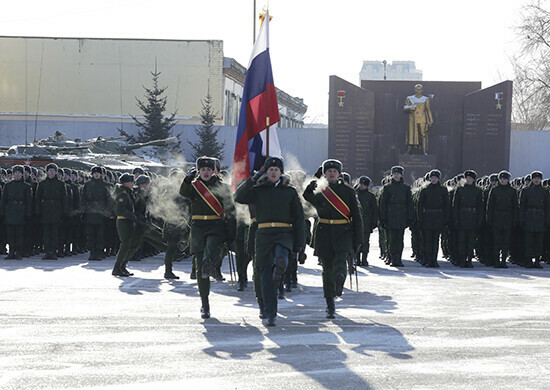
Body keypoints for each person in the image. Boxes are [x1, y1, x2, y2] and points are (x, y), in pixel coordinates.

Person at [235, 157, 305, 326]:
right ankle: (270, 313)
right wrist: (252, 180)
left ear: (281, 173)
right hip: (264, 234)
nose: (273, 172)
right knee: (264, 274)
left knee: (281, 255)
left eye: (276, 170)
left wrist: (300, 243)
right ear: (265, 172)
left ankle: (281, 264)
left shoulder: (289, 192)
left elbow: (298, 218)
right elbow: (239, 196)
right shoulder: (258, 190)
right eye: (270, 170)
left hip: (284, 232)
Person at [303, 159, 363, 319]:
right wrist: (309, 190)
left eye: (334, 171)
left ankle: (340, 280)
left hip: (343, 232)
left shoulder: (349, 192)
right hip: (323, 232)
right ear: (324, 173)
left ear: (339, 174)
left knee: (340, 261)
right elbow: (308, 199)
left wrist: (358, 238)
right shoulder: (320, 190)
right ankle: (330, 303)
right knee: (326, 269)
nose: (331, 174)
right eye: (328, 171)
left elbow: (357, 217)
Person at [180, 156, 236, 319]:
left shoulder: (222, 187)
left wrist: (231, 233)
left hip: (216, 226)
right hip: (197, 227)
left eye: (209, 170)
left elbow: (230, 210)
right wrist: (186, 180)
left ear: (214, 171)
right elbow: (183, 193)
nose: (206, 172)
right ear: (198, 171)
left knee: (210, 249)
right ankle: (205, 303)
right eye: (203, 170)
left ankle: (208, 261)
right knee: (200, 267)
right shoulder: (193, 186)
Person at [379, 166, 413, 267]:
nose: (396, 176)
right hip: (391, 215)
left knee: (400, 239)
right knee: (392, 239)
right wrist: (383, 217)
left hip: (402, 215)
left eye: (398, 174)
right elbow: (383, 204)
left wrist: (410, 217)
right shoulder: (387, 187)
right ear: (392, 175)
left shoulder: (406, 188)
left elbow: (409, 204)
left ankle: (399, 258)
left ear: (401, 175)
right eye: (395, 174)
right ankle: (393, 258)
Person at [417, 169, 451, 267]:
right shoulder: (425, 190)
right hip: (427, 217)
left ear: (438, 179)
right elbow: (420, 206)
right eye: (432, 178)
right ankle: (428, 260)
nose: (434, 179)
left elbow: (446, 205)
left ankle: (434, 259)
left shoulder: (443, 190)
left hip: (438, 217)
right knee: (427, 240)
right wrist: (420, 218)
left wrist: (445, 219)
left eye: (435, 178)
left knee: (435, 240)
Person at [35, 163, 68, 260]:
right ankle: (47, 251)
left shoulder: (61, 184)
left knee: (54, 233)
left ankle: (53, 251)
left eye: (53, 171)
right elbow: (38, 198)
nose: (52, 172)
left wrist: (64, 212)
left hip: (56, 210)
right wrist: (37, 211)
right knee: (46, 233)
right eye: (50, 171)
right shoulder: (42, 184)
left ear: (56, 172)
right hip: (45, 210)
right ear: (47, 172)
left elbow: (64, 199)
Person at [486, 170, 517, 268]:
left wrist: (515, 220)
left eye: (505, 179)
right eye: (502, 179)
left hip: (508, 219)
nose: (503, 181)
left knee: (506, 242)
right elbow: (489, 206)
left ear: (508, 180)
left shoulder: (512, 191)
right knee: (497, 241)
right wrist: (489, 219)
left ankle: (503, 260)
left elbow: (515, 207)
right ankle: (496, 260)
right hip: (497, 219)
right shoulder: (494, 190)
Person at [0, 165, 32, 259]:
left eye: (19, 173)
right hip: (10, 211)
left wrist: (28, 213)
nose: (17, 175)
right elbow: (4, 200)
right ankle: (11, 251)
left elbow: (29, 201)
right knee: (10, 233)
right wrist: (2, 212)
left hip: (20, 211)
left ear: (22, 174)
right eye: (15, 173)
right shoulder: (8, 185)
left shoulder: (26, 186)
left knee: (19, 233)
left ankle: (18, 252)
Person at [519, 171, 550, 268]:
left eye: (538, 178)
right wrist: (522, 220)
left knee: (538, 241)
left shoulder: (545, 191)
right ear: (532, 179)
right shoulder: (525, 191)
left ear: (540, 180)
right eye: (534, 178)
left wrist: (547, 220)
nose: (536, 180)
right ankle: (528, 260)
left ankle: (537, 260)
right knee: (528, 241)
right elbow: (522, 206)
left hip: (540, 217)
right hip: (529, 217)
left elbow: (547, 207)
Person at [452, 170, 483, 268]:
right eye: (467, 178)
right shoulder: (460, 190)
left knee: (471, 241)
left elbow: (480, 207)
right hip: (462, 218)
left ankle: (469, 259)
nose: (468, 180)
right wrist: (456, 219)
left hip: (473, 218)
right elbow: (455, 206)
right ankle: (462, 259)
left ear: (474, 180)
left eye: (470, 178)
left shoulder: (478, 191)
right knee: (461, 241)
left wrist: (479, 220)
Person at [81, 166, 112, 261]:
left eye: (98, 173)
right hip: (90, 211)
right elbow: (83, 199)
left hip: (101, 212)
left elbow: (109, 200)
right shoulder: (87, 185)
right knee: (90, 234)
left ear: (101, 174)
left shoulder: (106, 185)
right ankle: (92, 252)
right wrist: (83, 211)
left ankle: (99, 252)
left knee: (100, 234)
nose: (96, 174)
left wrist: (107, 212)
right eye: (94, 173)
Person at [112, 173, 138, 277]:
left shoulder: (128, 192)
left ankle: (122, 266)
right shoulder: (122, 194)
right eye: (131, 182)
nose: (132, 184)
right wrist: (131, 215)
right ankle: (117, 267)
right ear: (126, 183)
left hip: (128, 221)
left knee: (128, 244)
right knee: (124, 244)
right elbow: (120, 209)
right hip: (123, 221)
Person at [404, 84, 433, 155]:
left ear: (422, 90)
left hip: (422, 119)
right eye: (417, 89)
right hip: (412, 119)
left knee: (423, 135)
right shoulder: (409, 98)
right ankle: (409, 150)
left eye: (420, 89)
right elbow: (405, 108)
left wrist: (430, 120)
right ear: (415, 90)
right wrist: (411, 107)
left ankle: (424, 151)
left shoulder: (425, 99)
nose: (418, 91)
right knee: (411, 134)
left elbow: (428, 110)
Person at [355, 176, 378, 266]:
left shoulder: (371, 196)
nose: (362, 186)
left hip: (367, 221)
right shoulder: (355, 194)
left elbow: (374, 210)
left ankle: (364, 259)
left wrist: (374, 222)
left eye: (364, 185)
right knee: (357, 241)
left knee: (365, 241)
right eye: (361, 184)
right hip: (356, 221)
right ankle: (357, 259)